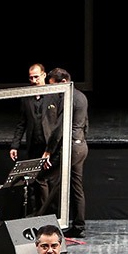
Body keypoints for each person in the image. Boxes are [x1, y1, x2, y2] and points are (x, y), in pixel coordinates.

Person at [42, 67, 89, 238]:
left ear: (63, 82)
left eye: (54, 86)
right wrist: (81, 140)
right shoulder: (81, 96)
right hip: (80, 145)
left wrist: (48, 151)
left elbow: (60, 128)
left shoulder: (69, 98)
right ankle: (78, 225)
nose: (53, 90)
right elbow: (85, 123)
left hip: (71, 148)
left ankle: (45, 221)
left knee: (45, 178)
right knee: (76, 186)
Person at [8, 62, 50, 213]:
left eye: (36, 77)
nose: (34, 80)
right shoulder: (27, 97)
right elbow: (22, 123)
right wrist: (15, 145)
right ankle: (36, 213)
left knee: (46, 180)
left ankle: (47, 214)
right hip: (34, 144)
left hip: (49, 145)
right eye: (31, 78)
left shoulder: (53, 95)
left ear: (44, 75)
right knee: (34, 181)